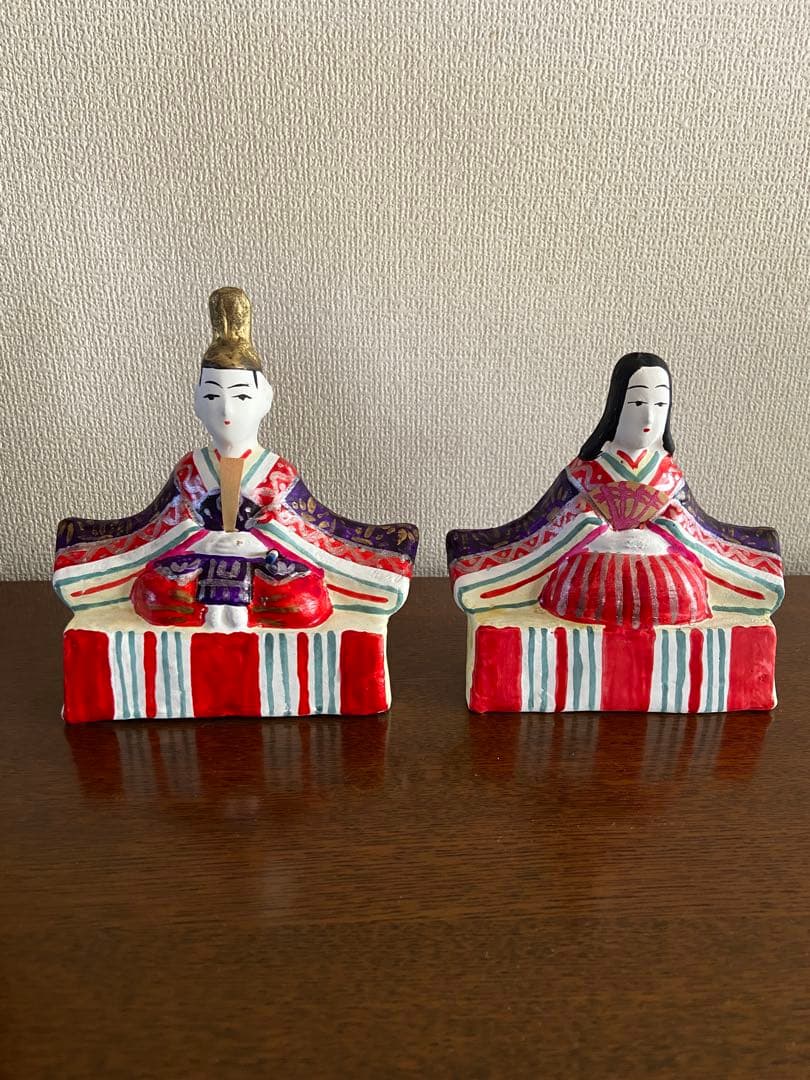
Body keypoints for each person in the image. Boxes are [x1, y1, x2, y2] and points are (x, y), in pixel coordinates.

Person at [54, 288, 418, 629]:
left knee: (300, 600)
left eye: (241, 397)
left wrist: (258, 542)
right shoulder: (191, 469)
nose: (226, 410)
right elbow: (160, 527)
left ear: (265, 399)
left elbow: (304, 531)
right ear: (197, 401)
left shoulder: (275, 472)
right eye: (213, 397)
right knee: (157, 593)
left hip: (264, 566)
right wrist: (203, 540)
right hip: (195, 562)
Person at [447, 352, 783, 628]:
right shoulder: (587, 471)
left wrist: (668, 530)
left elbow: (697, 528)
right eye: (637, 403)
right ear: (616, 404)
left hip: (665, 573)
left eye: (660, 404)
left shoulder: (668, 474)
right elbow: (544, 525)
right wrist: (593, 531)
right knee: (578, 590)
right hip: (592, 571)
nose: (649, 417)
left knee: (682, 591)